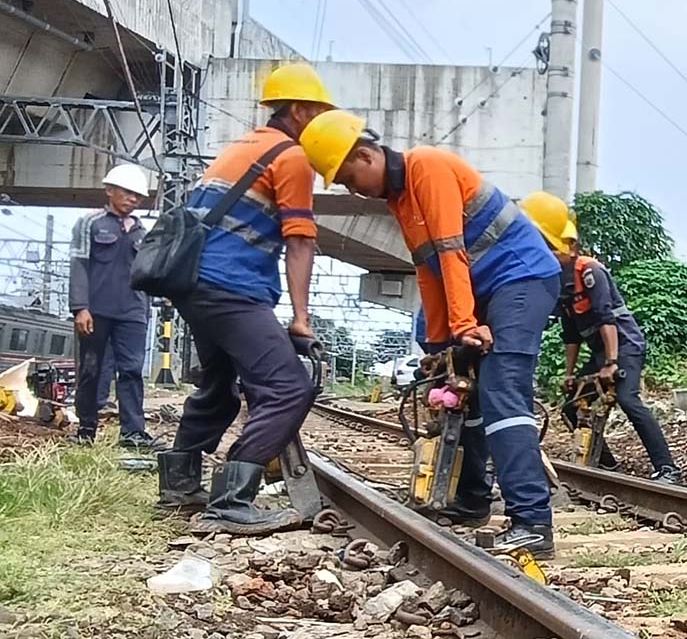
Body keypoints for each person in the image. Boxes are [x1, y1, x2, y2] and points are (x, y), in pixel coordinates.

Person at [297, 110, 561, 558]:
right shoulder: (401, 200)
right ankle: (473, 500)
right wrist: (442, 347)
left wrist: (462, 326)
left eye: (347, 176)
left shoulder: (428, 167)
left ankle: (533, 520)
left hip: (522, 280)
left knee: (501, 390)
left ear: (366, 154)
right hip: (485, 291)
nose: (350, 189)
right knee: (466, 394)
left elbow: (451, 250)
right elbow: (428, 273)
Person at [156, 63, 334, 534]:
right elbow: (300, 240)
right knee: (287, 388)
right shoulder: (292, 157)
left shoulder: (243, 146)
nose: (322, 124)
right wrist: (300, 318)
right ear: (298, 111)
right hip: (229, 288)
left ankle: (178, 484)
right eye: (318, 113)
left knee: (218, 384)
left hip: (195, 285)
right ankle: (231, 501)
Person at [520, 191, 684, 485]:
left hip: (624, 346)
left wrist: (610, 362)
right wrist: (570, 374)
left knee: (627, 399)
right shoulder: (556, 279)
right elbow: (571, 334)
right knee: (572, 405)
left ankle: (667, 468)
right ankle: (606, 466)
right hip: (600, 352)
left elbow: (606, 317)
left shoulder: (590, 270)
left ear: (570, 246)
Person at [68, 164, 161, 450]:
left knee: (132, 371)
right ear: (109, 191)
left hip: (133, 313)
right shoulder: (90, 223)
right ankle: (86, 429)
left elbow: (149, 273)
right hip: (96, 312)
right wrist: (80, 307)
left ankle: (133, 433)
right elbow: (79, 265)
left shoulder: (144, 232)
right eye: (127, 192)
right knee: (92, 371)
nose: (133, 199)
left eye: (138, 196)